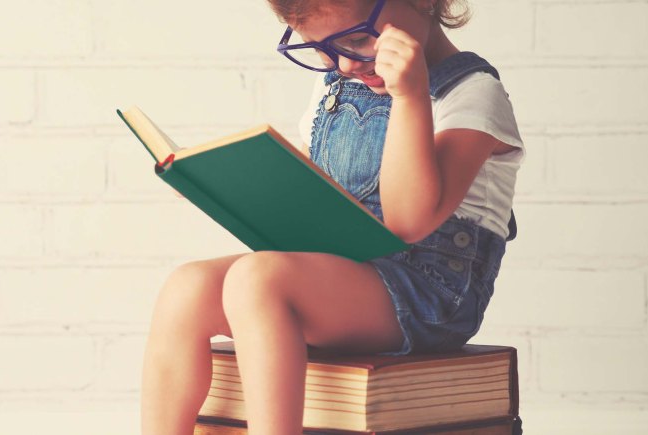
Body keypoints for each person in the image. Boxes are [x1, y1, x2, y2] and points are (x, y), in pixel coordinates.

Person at [138, 0, 525, 434]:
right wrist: (224, 184)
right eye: (321, 49)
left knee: (258, 279)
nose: (344, 64)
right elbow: (311, 194)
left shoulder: (472, 94)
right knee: (187, 286)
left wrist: (410, 97)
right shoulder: (338, 88)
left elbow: (409, 220)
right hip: (345, 271)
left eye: (357, 39)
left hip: (426, 296)